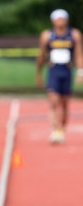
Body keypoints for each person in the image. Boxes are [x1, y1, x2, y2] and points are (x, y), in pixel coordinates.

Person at [36, 9, 83, 144]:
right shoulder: (47, 36)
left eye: (62, 18)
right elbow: (42, 55)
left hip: (67, 71)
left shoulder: (74, 35)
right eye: (57, 19)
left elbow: (79, 54)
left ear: (66, 20)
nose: (60, 21)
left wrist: (80, 72)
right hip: (53, 70)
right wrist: (38, 72)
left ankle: (62, 128)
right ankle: (55, 129)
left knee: (64, 103)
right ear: (53, 21)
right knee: (53, 100)